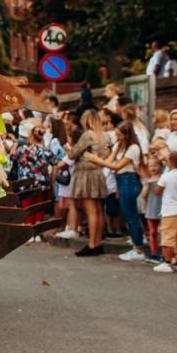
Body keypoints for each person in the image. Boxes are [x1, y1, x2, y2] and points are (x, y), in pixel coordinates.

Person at [96, 121, 148, 261]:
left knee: (131, 216)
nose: (117, 137)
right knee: (127, 214)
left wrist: (97, 160)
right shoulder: (119, 146)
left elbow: (117, 166)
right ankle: (135, 243)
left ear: (127, 134)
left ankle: (138, 248)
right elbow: (110, 161)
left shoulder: (133, 148)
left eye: (119, 134)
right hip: (121, 181)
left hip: (129, 180)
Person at [69, 109, 110, 257]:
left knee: (91, 210)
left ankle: (92, 244)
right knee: (98, 209)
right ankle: (98, 242)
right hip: (98, 172)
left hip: (86, 173)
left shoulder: (88, 135)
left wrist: (69, 147)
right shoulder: (104, 135)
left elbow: (74, 153)